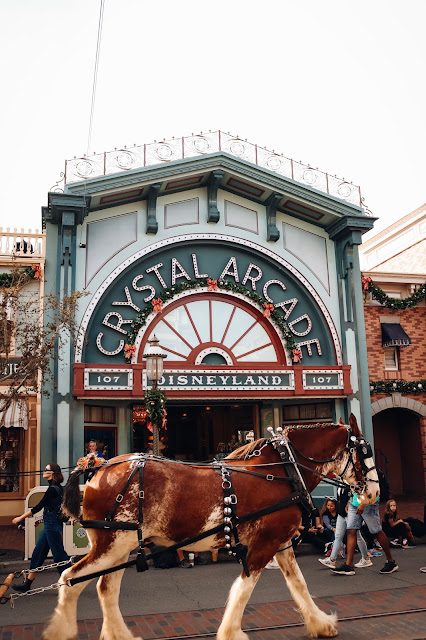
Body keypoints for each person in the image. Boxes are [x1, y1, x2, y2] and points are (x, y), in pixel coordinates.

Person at [11, 463, 71, 592]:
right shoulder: (58, 488)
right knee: (38, 552)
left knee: (59, 555)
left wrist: (20, 518)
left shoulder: (52, 489)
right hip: (51, 524)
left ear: (52, 473)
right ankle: (27, 583)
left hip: (52, 525)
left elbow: (38, 507)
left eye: (46, 470)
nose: (44, 471)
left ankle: (70, 581)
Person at [331, 489, 398, 575]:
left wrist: (363, 503)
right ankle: (348, 565)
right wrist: (349, 500)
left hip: (368, 502)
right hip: (354, 502)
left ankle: (391, 561)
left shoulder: (371, 474)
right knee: (351, 530)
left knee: (376, 531)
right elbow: (354, 485)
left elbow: (371, 486)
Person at [319, 487, 371, 569]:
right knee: (338, 536)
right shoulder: (339, 485)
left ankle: (366, 558)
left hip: (350, 513)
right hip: (341, 513)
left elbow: (354, 497)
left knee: (357, 537)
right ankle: (332, 560)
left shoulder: (350, 485)